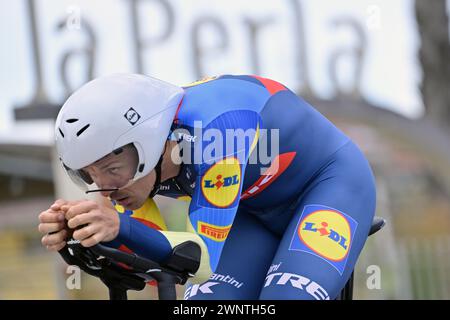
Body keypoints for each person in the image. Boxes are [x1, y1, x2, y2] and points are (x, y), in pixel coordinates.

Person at [38, 73, 376, 300]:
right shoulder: (139, 168)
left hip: (328, 185)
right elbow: (163, 267)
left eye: (111, 169)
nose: (105, 189)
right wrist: (87, 236)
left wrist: (119, 225)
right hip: (251, 212)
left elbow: (198, 258)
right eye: (89, 175)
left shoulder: (219, 134)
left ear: (151, 143)